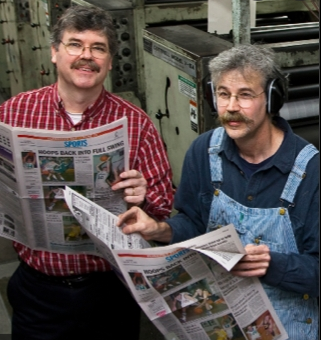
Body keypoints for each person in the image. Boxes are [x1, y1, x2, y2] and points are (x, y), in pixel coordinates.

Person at [118, 44, 319, 340]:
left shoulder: (311, 171)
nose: (232, 106)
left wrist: (273, 264)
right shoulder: (204, 151)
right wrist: (158, 229)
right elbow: (195, 225)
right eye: (223, 94)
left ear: (273, 99)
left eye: (245, 94)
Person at [0, 5, 173, 340]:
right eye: (75, 44)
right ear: (54, 52)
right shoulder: (13, 113)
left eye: (98, 48)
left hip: (108, 291)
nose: (86, 56)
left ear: (109, 61)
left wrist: (143, 197)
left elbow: (163, 208)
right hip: (38, 293)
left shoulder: (136, 123)